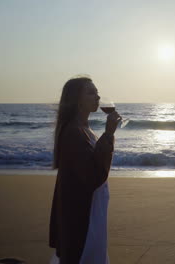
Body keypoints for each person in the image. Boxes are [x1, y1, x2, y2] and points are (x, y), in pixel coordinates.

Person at [49, 76, 121, 264]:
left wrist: (107, 135)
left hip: (92, 207)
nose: (97, 97)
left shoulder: (83, 128)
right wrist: (108, 134)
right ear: (77, 100)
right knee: (85, 256)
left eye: (97, 92)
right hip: (83, 213)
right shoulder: (73, 132)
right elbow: (92, 175)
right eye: (91, 93)